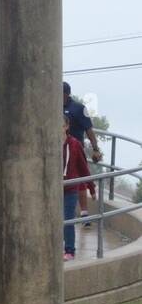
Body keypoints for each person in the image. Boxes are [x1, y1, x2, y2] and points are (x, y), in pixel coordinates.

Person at [63, 82, 103, 221]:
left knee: (80, 178)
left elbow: (89, 129)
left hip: (75, 149)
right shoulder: (52, 106)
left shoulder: (79, 108)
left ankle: (84, 212)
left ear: (66, 94)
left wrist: (95, 149)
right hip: (59, 150)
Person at [61, 113, 94, 260]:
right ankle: (56, 246)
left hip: (70, 189)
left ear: (67, 126)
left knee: (68, 219)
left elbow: (83, 167)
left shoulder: (74, 144)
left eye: (61, 125)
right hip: (52, 189)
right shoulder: (47, 144)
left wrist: (91, 188)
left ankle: (70, 250)